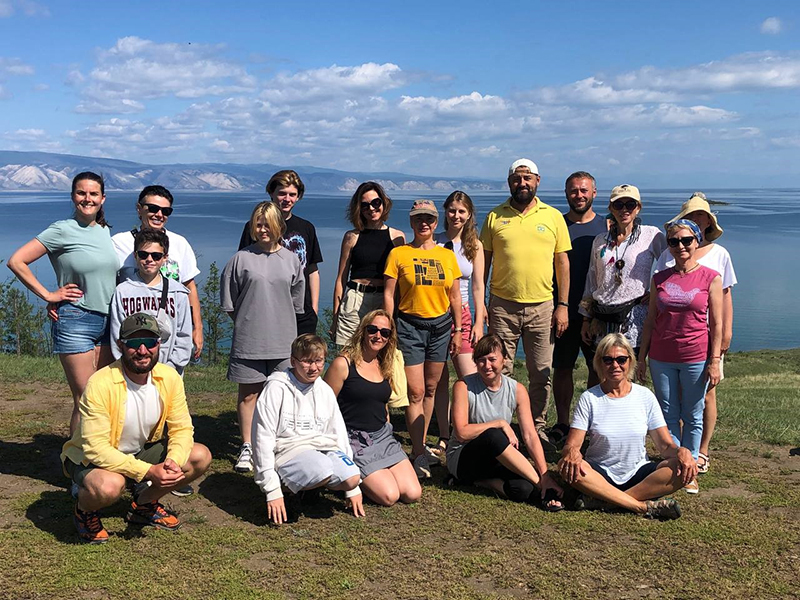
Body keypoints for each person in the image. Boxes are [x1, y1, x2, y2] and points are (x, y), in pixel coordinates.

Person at [60, 312, 212, 544]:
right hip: (89, 458)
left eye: (150, 342)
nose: (143, 350)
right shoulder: (100, 383)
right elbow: (95, 449)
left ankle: (144, 506)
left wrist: (172, 461)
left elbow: (181, 428)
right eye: (134, 343)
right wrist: (149, 472)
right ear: (120, 345)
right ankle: (84, 511)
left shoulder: (169, 377)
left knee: (199, 456)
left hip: (138, 451)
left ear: (158, 344)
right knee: (110, 486)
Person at [8, 172, 118, 434]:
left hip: (108, 322)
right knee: (86, 397)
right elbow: (16, 261)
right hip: (76, 319)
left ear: (103, 198)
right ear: (73, 196)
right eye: (81, 193)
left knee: (103, 395)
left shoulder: (104, 231)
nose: (87, 199)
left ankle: (99, 451)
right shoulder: (61, 229)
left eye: (93, 194)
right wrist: (48, 295)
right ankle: (77, 455)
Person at [479, 159, 571, 440]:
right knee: (500, 368)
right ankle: (501, 425)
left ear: (537, 181)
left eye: (527, 178)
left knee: (540, 372)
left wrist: (563, 305)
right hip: (502, 305)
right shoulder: (495, 216)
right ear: (510, 182)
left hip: (542, 306)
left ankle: (537, 426)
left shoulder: (553, 216)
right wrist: (481, 302)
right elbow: (484, 261)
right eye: (517, 178)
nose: (522, 183)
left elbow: (562, 263)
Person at [558, 333, 693, 520]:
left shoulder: (645, 396)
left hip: (639, 473)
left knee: (680, 467)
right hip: (600, 473)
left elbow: (665, 446)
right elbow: (572, 445)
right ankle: (640, 506)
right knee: (567, 467)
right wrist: (572, 452)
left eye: (621, 359)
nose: (615, 365)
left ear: (630, 361)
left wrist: (681, 452)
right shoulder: (589, 398)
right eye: (608, 360)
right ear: (599, 363)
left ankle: (606, 500)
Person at [637, 219, 722, 494]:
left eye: (687, 240)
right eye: (674, 241)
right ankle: (675, 464)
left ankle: (691, 467)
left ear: (697, 242)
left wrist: (715, 361)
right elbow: (650, 320)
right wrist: (641, 357)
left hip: (695, 356)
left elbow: (717, 324)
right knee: (668, 412)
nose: (681, 246)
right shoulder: (659, 278)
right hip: (661, 356)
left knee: (693, 414)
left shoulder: (711, 277)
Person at [654, 192, 736, 474]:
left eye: (701, 216)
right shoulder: (669, 254)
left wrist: (725, 335)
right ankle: (678, 453)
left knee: (705, 396)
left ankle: (702, 451)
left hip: (705, 339)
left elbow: (726, 297)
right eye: (691, 216)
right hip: (670, 341)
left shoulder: (719, 254)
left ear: (708, 222)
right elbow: (659, 293)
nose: (697, 220)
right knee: (674, 400)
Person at [221, 201, 305, 474]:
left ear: (278, 226)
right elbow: (230, 303)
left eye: (268, 224)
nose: (263, 229)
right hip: (249, 341)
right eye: (258, 224)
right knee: (249, 395)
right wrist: (249, 322)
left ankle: (276, 444)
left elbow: (296, 303)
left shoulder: (291, 260)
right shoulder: (240, 259)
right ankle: (247, 446)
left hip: (283, 342)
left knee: (281, 397)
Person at [384, 200, 462, 478]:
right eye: (418, 218)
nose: (424, 223)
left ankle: (423, 443)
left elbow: (455, 296)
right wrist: (389, 325)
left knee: (431, 388)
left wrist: (458, 330)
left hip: (441, 327)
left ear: (436, 222)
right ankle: (418, 452)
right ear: (411, 222)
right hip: (410, 326)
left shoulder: (447, 256)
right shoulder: (399, 254)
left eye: (429, 218)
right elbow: (389, 293)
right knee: (415, 392)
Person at [251, 334, 364, 524]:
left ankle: (309, 488)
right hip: (287, 450)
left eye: (318, 361)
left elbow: (337, 431)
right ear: (293, 361)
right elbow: (262, 437)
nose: (313, 368)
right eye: (307, 361)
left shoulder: (324, 390)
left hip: (320, 449)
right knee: (321, 468)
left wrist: (353, 489)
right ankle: (287, 491)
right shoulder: (276, 388)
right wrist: (271, 489)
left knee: (352, 477)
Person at [446, 335, 563, 509]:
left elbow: (530, 436)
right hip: (464, 456)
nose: (487, 366)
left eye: (492, 359)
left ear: (504, 360)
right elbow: (461, 433)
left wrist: (544, 471)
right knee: (494, 435)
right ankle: (544, 486)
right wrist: (499, 423)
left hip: (498, 457)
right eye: (481, 360)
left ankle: (482, 482)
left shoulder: (517, 390)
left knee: (524, 490)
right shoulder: (463, 386)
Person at [324, 310, 422, 506]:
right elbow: (323, 406)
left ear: (389, 338)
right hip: (355, 440)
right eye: (373, 330)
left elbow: (382, 403)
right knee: (389, 496)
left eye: (385, 333)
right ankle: (349, 478)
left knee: (413, 493)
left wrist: (387, 427)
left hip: (382, 437)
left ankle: (373, 475)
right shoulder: (343, 364)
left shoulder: (384, 363)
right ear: (363, 330)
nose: (378, 336)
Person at [112, 185, 204, 361]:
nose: (159, 214)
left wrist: (197, 328)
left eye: (165, 211)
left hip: (169, 336)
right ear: (139, 209)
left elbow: (189, 287)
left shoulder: (180, 244)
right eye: (153, 208)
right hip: (133, 337)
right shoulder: (119, 243)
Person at [550, 172, 608, 446]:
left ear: (594, 193)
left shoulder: (606, 226)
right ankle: (563, 423)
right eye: (573, 191)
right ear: (566, 193)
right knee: (562, 368)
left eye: (584, 190)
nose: (579, 195)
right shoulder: (557, 225)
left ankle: (591, 424)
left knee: (597, 369)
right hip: (562, 310)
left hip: (596, 313)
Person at [580, 184, 666, 355]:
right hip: (602, 317)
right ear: (611, 208)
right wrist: (585, 319)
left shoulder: (651, 235)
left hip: (634, 317)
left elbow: (670, 265)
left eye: (630, 205)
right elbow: (592, 280)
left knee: (630, 365)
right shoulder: (600, 240)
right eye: (619, 205)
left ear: (638, 208)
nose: (624, 210)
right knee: (604, 366)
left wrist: (657, 292)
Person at [432, 191, 487, 456]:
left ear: (469, 215)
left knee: (470, 377)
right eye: (452, 210)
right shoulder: (434, 241)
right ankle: (444, 435)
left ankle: (469, 430)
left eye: (461, 211)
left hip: (463, 315)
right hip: (434, 313)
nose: (456, 215)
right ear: (445, 212)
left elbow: (478, 287)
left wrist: (478, 322)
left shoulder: (474, 246)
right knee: (438, 379)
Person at [239, 170, 322, 336]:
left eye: (292, 194)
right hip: (266, 311)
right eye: (282, 193)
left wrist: (314, 307)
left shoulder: (306, 228)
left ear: (298, 197)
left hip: (301, 312)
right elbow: (243, 270)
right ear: (271, 193)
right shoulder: (255, 228)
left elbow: (312, 270)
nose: (287, 199)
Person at [331, 182, 405, 346]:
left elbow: (400, 279)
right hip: (355, 299)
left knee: (379, 352)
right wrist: (335, 317)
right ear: (359, 208)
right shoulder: (351, 237)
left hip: (383, 300)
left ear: (384, 203)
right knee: (348, 352)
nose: (371, 208)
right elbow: (341, 278)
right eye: (365, 205)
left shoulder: (397, 237)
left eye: (376, 202)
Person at [109, 229, 192, 374]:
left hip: (169, 373)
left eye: (156, 256)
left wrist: (170, 368)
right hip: (132, 372)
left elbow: (184, 336)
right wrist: (129, 367)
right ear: (135, 255)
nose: (149, 259)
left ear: (165, 258)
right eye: (143, 254)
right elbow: (117, 334)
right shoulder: (123, 292)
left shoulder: (178, 293)